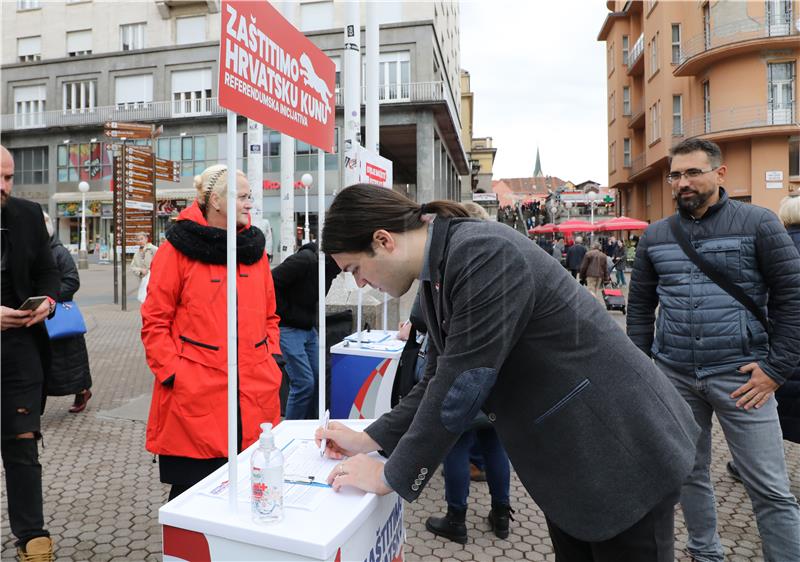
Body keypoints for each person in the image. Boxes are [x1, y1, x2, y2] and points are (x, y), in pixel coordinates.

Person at [315, 184, 700, 561]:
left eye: (355, 268)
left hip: (619, 453)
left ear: (383, 240)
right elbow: (436, 379)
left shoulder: (482, 253)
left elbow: (462, 384)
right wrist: (370, 438)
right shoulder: (440, 269)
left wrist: (390, 477)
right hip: (571, 468)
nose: (361, 283)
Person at [627, 138, 800, 562]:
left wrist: (776, 370)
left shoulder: (759, 223)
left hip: (744, 378)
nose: (682, 182)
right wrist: (640, 370)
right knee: (688, 473)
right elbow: (639, 309)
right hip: (676, 376)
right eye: (676, 175)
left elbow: (793, 299)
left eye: (692, 172)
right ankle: (705, 554)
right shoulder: (656, 235)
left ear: (720, 174)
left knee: (770, 487)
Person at [141, 164, 283, 501]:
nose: (251, 204)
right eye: (244, 197)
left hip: (254, 389)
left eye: (250, 197)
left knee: (253, 491)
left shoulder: (254, 251)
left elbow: (270, 316)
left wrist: (273, 359)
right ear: (217, 200)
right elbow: (154, 323)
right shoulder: (176, 250)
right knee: (193, 499)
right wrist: (177, 374)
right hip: (196, 397)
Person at [1, 145, 60, 562]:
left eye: (9, 178)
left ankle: (32, 535)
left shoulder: (26, 214)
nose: (4, 187)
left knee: (23, 442)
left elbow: (48, 269)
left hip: (20, 348)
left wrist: (49, 302)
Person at [271, 242, 341, 420]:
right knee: (304, 383)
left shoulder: (331, 270)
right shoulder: (305, 261)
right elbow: (271, 282)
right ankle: (291, 429)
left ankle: (310, 427)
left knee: (319, 380)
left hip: (308, 329)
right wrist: (287, 312)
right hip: (288, 327)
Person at [42, 212, 92, 413]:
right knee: (44, 364)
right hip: (40, 316)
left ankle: (82, 390)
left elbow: (72, 281)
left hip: (60, 317)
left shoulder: (59, 252)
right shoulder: (32, 252)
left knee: (71, 361)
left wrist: (50, 298)